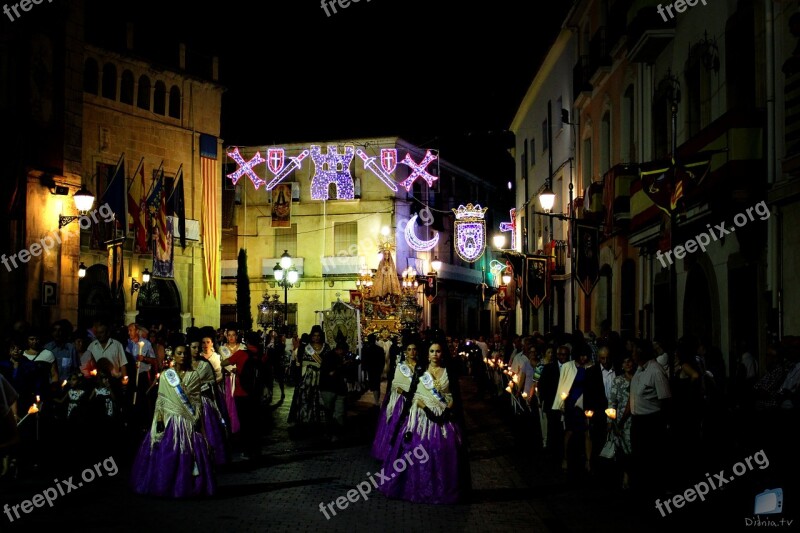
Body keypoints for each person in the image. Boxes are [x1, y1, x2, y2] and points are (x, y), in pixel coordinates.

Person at [378, 342, 467, 504]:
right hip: (421, 418)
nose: (435, 354)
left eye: (438, 351)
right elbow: (415, 395)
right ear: (427, 354)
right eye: (432, 351)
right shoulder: (421, 372)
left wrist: (447, 410)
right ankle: (417, 488)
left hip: (444, 419)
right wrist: (426, 409)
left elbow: (453, 395)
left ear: (442, 353)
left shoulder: (448, 372)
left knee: (443, 451)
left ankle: (442, 489)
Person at [130, 343, 215, 498]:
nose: (182, 356)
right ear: (173, 355)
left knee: (188, 456)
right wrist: (159, 420)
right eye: (179, 353)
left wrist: (197, 421)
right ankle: (165, 485)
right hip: (169, 419)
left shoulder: (193, 375)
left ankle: (186, 486)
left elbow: (196, 401)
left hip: (187, 419)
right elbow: (161, 400)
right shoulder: (165, 375)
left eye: (184, 353)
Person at [372, 342, 420, 460]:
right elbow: (396, 385)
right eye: (409, 349)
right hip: (403, 401)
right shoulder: (401, 367)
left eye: (414, 349)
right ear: (406, 352)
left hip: (418, 400)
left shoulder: (421, 367)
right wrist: (406, 393)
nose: (412, 352)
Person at [190, 337, 227, 465]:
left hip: (202, 402)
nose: (196, 350)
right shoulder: (184, 364)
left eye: (197, 347)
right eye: (193, 347)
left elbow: (211, 383)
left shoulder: (205, 364)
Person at [287, 325, 329, 426]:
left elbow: (327, 362)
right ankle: (305, 418)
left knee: (319, 400)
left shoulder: (326, 347)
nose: (316, 337)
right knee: (305, 399)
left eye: (318, 335)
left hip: (321, 378)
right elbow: (300, 362)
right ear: (311, 336)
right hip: (306, 377)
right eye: (314, 335)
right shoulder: (306, 347)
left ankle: (318, 420)